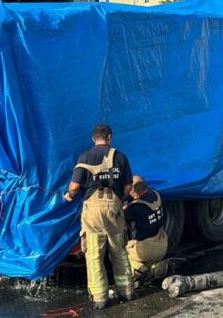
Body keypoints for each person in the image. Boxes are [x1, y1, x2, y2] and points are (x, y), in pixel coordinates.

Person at [64, 124, 134, 309]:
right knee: (119, 251)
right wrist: (119, 200)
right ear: (109, 137)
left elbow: (74, 187)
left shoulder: (84, 157)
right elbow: (128, 187)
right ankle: (127, 292)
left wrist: (69, 196)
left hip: (93, 211)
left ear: (93, 138)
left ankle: (100, 298)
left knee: (94, 254)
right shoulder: (120, 157)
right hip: (114, 208)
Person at [123, 176, 169, 286]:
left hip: (146, 250)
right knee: (146, 260)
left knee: (118, 254)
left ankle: (143, 271)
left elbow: (117, 214)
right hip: (162, 244)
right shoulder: (156, 194)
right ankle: (154, 270)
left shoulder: (135, 208)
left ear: (133, 193)